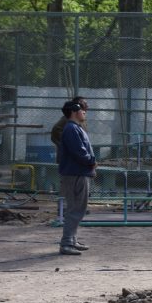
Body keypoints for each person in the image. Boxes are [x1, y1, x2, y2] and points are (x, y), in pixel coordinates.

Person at [57, 100, 96, 256]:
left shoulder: (74, 128)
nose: (84, 112)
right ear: (74, 112)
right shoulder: (71, 129)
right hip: (75, 174)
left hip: (78, 173)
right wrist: (92, 162)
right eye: (81, 110)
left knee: (78, 209)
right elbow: (79, 152)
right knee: (75, 209)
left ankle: (71, 240)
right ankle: (66, 243)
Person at [51, 96, 87, 160]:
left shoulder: (81, 119)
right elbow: (56, 130)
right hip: (68, 159)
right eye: (84, 103)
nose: (87, 105)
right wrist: (69, 143)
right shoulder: (68, 118)